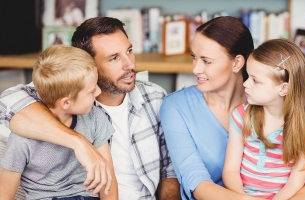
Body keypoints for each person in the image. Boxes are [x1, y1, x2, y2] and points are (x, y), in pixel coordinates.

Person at [0, 17, 180, 200]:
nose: (130, 65)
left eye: (129, 51)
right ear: (87, 63)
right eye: (114, 58)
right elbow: (7, 104)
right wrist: (79, 142)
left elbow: (168, 170)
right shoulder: (61, 90)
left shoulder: (154, 97)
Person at [160, 16, 305, 200]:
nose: (195, 69)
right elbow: (196, 181)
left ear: (237, 63)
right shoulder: (175, 107)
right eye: (194, 58)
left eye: (206, 61)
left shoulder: (266, 100)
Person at [0, 45, 118, 200]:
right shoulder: (22, 138)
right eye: (91, 91)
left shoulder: (96, 118)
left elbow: (107, 179)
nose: (98, 92)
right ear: (66, 103)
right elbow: (5, 193)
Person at [223, 39, 305, 199]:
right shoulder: (241, 116)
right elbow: (230, 170)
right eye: (248, 76)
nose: (246, 84)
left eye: (255, 80)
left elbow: (295, 184)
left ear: (283, 88)